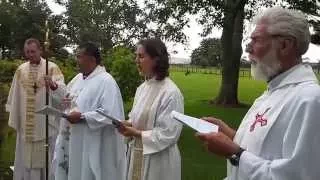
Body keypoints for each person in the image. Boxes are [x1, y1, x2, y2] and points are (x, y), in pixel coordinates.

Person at [197, 7, 320, 180]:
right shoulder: (270, 93)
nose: (248, 49)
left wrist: (235, 153)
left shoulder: (310, 100)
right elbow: (267, 150)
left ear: (285, 45)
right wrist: (231, 135)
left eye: (256, 40)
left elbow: (299, 175)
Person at [48, 42, 126, 180]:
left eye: (79, 57)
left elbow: (111, 115)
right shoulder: (78, 78)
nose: (76, 60)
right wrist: (65, 101)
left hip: (91, 143)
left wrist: (83, 117)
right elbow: (68, 97)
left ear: (92, 59)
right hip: (72, 140)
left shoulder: (106, 81)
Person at [118, 38, 184, 180]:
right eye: (136, 56)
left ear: (156, 59)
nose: (136, 60)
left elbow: (169, 133)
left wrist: (136, 133)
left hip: (159, 161)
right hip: (137, 153)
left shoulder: (171, 92)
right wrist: (127, 124)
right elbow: (137, 117)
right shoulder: (142, 88)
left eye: (141, 56)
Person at [5, 38, 65, 180]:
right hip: (26, 124)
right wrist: (15, 116)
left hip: (44, 124)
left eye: (33, 51)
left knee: (45, 157)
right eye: (27, 52)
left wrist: (53, 85)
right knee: (25, 157)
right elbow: (15, 96)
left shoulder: (51, 68)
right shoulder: (21, 70)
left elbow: (63, 94)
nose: (30, 55)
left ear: (40, 50)